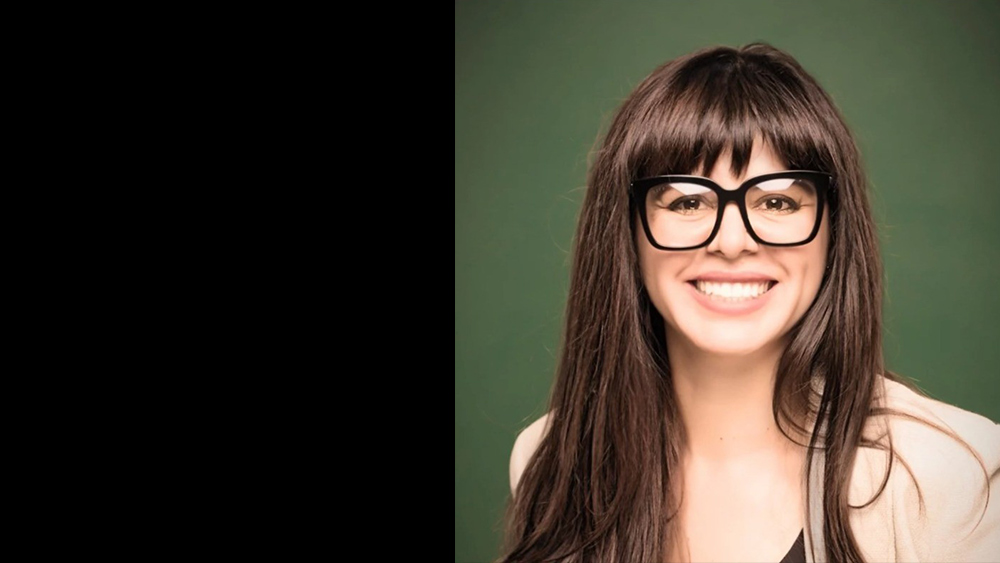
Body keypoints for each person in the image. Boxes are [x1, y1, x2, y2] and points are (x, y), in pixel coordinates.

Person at [499, 42, 1000, 563]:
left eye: (778, 201)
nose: (734, 241)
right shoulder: (549, 460)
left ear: (834, 231)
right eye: (688, 201)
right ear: (625, 232)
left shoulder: (954, 477)